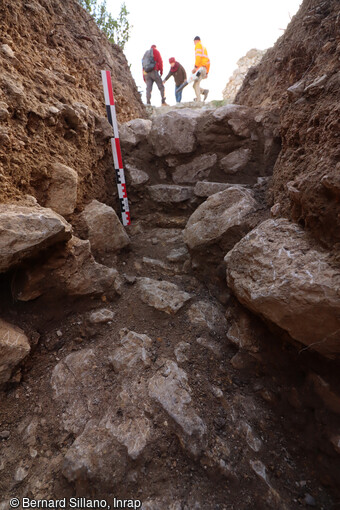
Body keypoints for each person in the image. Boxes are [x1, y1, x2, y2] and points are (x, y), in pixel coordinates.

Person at [192, 36, 210, 102]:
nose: (194, 44)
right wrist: (207, 72)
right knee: (195, 85)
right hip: (204, 69)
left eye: (194, 42)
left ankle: (198, 100)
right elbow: (208, 61)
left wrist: (195, 67)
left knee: (196, 84)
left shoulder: (198, 45)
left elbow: (198, 57)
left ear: (195, 41)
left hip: (200, 68)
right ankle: (204, 91)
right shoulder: (204, 48)